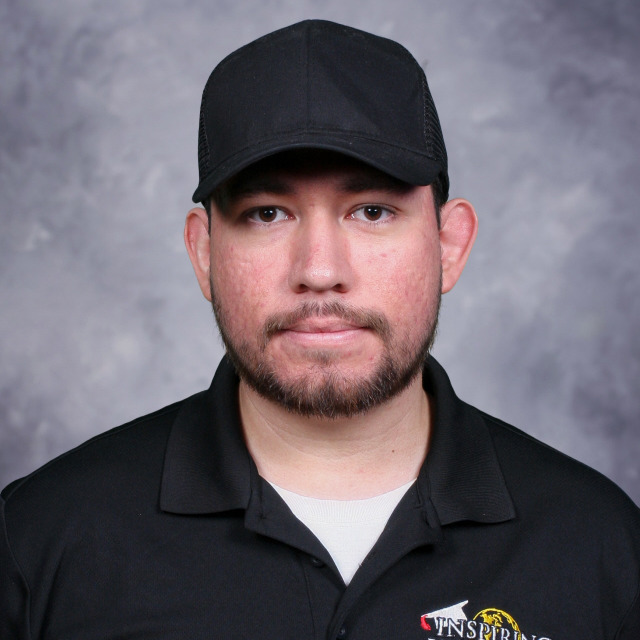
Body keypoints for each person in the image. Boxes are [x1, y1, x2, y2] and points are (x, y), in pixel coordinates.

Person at [1, 19, 638, 640]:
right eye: (267, 214)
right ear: (204, 253)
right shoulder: (41, 540)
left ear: (449, 245)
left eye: (372, 211)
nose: (320, 271)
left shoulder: (601, 546)